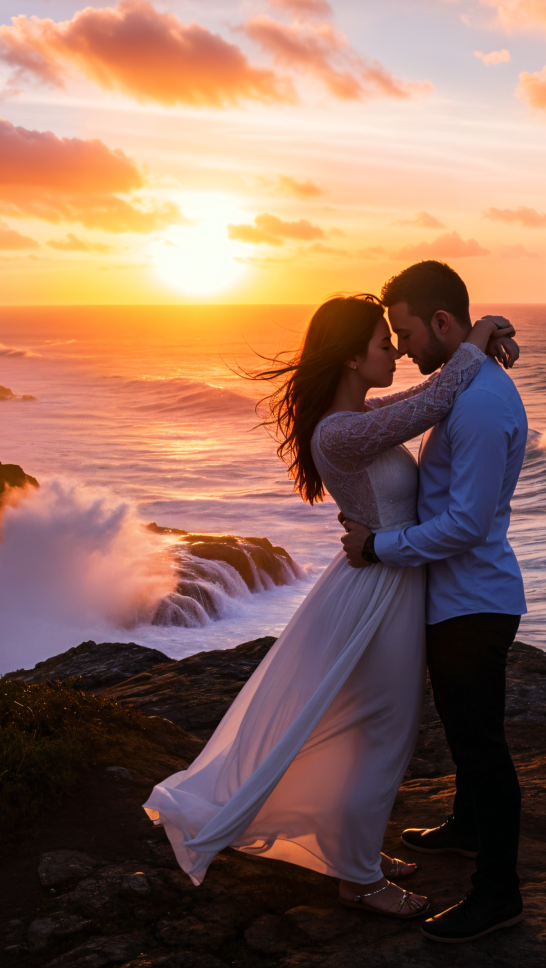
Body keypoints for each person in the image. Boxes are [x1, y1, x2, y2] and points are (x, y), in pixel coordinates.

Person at [142, 292, 518, 920]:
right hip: (377, 590)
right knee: (383, 732)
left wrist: (474, 346)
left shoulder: (362, 416)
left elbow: (428, 397)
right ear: (350, 356)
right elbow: (431, 403)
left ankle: (355, 853)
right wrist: (475, 339)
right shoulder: (339, 432)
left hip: (391, 581)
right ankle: (359, 881)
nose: (396, 352)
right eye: (383, 342)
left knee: (380, 731)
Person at [339, 260, 530, 944]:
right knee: (465, 733)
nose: (403, 348)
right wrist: (482, 335)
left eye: (407, 332)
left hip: (472, 599)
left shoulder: (477, 404)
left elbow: (466, 524)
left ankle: (497, 894)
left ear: (441, 322)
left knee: (481, 747)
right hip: (460, 594)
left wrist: (376, 547)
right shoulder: (464, 385)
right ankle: (468, 825)